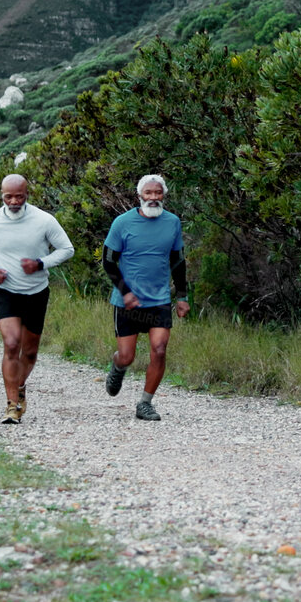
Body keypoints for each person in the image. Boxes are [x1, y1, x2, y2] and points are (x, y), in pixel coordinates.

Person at [0, 174, 74, 423]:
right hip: (6, 292)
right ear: (1, 196)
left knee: (30, 352)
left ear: (27, 194)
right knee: (12, 344)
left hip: (36, 292)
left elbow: (67, 249)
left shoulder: (44, 220)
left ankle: (20, 385)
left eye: (19, 196)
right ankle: (12, 406)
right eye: (8, 197)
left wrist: (41, 263)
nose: (14, 201)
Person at [101, 173, 189, 421]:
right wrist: (125, 292)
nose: (153, 198)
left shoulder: (172, 222)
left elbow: (178, 261)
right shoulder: (122, 223)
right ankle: (118, 367)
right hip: (127, 302)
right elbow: (108, 262)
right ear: (139, 195)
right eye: (148, 193)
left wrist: (182, 296)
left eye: (157, 193)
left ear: (164, 196)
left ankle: (145, 404)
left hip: (159, 300)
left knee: (159, 350)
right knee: (127, 356)